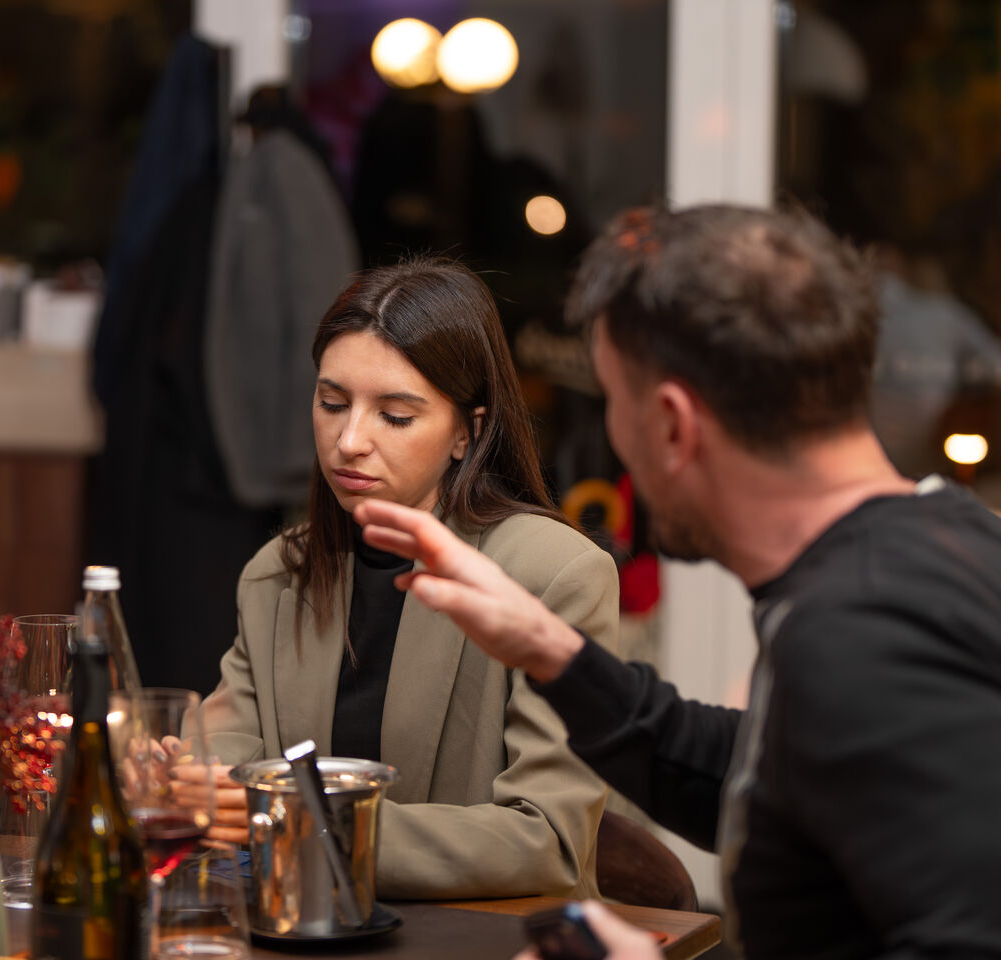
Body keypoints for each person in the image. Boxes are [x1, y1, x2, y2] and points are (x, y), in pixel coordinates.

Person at [354, 206, 1001, 959]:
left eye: (614, 402)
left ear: (671, 424)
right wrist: (552, 652)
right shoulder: (944, 539)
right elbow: (767, 769)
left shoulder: (858, 633)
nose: (614, 438)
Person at [200, 258, 619, 899]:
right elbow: (221, 761)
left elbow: (547, 840)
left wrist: (310, 826)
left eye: (394, 416)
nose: (349, 440)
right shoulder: (278, 573)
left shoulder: (555, 574)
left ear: (467, 433)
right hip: (304, 927)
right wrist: (186, 778)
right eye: (332, 403)